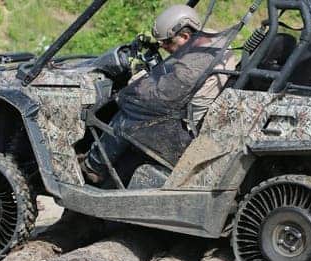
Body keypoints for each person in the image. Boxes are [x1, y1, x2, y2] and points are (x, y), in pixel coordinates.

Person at [82, 4, 235, 185]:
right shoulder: (210, 40)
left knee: (129, 113)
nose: (164, 47)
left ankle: (93, 167)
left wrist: (138, 76)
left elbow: (157, 94)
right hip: (194, 112)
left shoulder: (191, 68)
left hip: (186, 131)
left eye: (168, 42)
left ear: (185, 36)